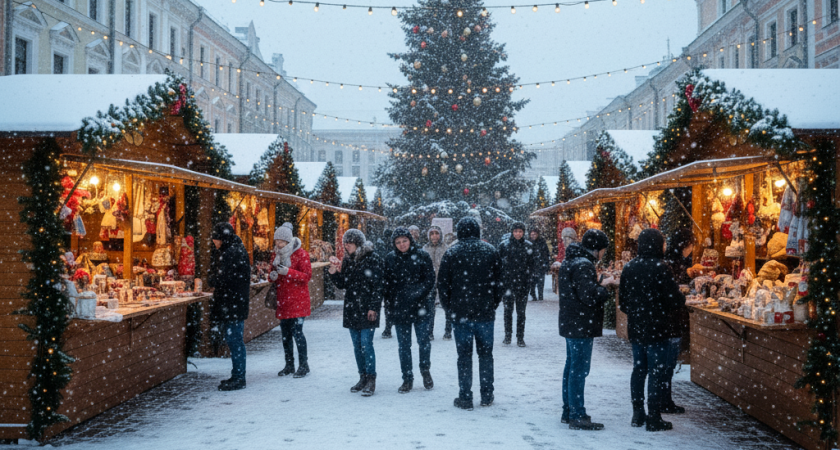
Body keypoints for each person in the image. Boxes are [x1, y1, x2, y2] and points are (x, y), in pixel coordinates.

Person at [619, 228, 686, 432]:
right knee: (656, 372)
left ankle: (638, 414)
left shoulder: (629, 267)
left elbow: (623, 303)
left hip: (637, 327)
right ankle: (654, 417)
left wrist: (638, 311)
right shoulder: (661, 267)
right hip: (658, 328)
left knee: (639, 370)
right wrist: (675, 299)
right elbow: (675, 299)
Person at [437, 216, 502, 410]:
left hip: (461, 313)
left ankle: (465, 396)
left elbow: (443, 284)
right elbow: (500, 283)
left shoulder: (452, 252)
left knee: (464, 356)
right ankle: (487, 394)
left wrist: (450, 308)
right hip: (484, 313)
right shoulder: (490, 251)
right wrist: (492, 304)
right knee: (486, 355)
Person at [557, 229, 611, 430]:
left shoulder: (571, 260)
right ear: (596, 249)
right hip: (581, 323)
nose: (604, 253)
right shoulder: (584, 264)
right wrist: (604, 288)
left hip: (571, 322)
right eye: (604, 249)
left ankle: (569, 410)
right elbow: (588, 296)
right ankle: (577, 414)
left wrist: (596, 283)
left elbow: (578, 290)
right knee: (579, 370)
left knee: (571, 368)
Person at [329, 229, 383, 397]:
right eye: (345, 242)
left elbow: (378, 286)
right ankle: (362, 377)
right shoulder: (348, 260)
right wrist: (333, 273)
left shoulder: (373, 259)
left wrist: (373, 307)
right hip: (352, 308)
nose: (346, 245)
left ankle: (371, 379)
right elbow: (344, 284)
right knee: (357, 346)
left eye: (350, 242)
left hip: (368, 309)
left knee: (366, 344)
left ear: (358, 243)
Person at [383, 227, 436, 393]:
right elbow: (387, 285)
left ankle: (425, 370)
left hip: (420, 306)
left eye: (404, 240)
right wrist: (391, 306)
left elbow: (429, 280)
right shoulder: (390, 258)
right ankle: (407, 378)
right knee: (404, 346)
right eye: (398, 242)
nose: (402, 244)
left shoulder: (422, 255)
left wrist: (417, 294)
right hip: (400, 309)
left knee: (424, 342)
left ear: (410, 240)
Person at [210, 222, 251, 391]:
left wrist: (212, 281)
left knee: (234, 341)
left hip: (232, 304)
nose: (214, 242)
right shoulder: (235, 249)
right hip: (235, 303)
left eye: (216, 239)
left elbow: (226, 279)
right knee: (235, 340)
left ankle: (239, 377)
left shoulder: (232, 253)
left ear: (223, 238)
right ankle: (237, 375)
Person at [270, 222, 312, 379]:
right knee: (285, 335)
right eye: (276, 241)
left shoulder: (301, 254)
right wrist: (272, 275)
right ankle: (289, 365)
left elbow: (307, 276)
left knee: (297, 333)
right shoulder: (276, 255)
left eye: (281, 241)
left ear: (288, 241)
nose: (278, 244)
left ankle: (304, 365)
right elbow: (271, 273)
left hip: (298, 300)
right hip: (284, 301)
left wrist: (288, 272)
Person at [661, 228, 696, 415]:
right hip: (671, 321)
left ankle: (663, 399)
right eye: (691, 245)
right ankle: (663, 400)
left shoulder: (669, 261)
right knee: (667, 364)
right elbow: (672, 293)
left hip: (667, 321)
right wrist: (682, 296)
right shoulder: (673, 264)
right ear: (686, 245)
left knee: (665, 364)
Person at [498, 222, 535, 347]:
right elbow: (499, 265)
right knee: (508, 311)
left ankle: (520, 337)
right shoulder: (504, 245)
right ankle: (507, 336)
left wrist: (529, 280)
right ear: (512, 232)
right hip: (508, 284)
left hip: (523, 284)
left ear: (523, 232)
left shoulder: (528, 246)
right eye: (515, 231)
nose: (518, 234)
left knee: (521, 312)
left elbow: (532, 264)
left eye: (520, 231)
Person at [423, 225, 449, 340]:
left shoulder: (446, 248)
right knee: (430, 308)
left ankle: (448, 330)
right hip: (429, 281)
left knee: (447, 307)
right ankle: (429, 331)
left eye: (436, 233)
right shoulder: (425, 248)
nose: (434, 236)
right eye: (432, 233)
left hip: (443, 280)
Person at [528, 228, 551, 302]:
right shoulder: (528, 243)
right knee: (532, 282)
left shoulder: (542, 242)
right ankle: (533, 295)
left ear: (537, 234)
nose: (533, 236)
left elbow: (546, 254)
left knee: (540, 282)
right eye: (532, 234)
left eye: (535, 234)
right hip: (531, 265)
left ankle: (540, 296)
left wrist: (546, 264)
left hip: (541, 265)